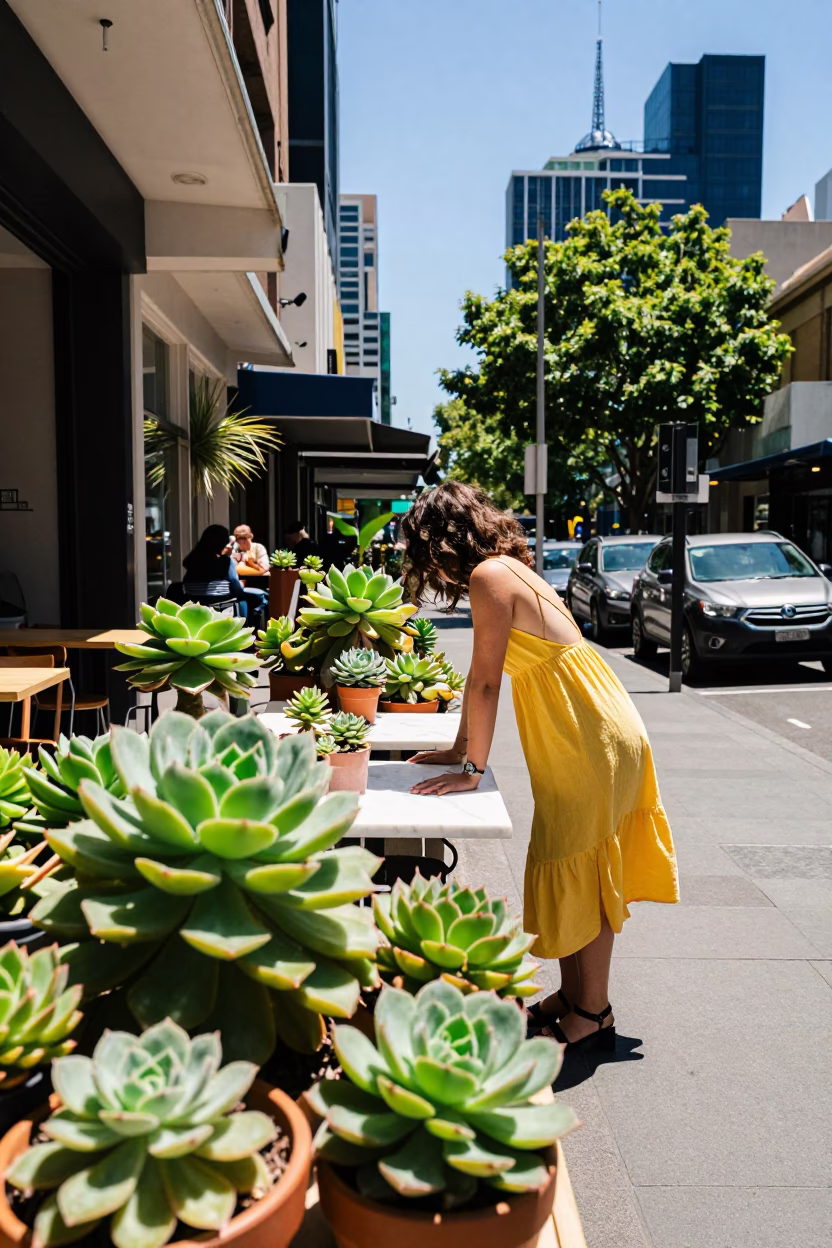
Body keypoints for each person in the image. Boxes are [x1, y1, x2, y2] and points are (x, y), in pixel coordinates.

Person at [403, 483, 679, 1053]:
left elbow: (484, 679)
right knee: (568, 856)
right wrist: (458, 749)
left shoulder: (487, 578)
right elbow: (482, 679)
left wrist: (471, 768)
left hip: (584, 735)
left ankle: (592, 1012)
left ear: (441, 542)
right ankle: (573, 995)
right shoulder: (510, 566)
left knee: (584, 862)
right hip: (591, 725)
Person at [183, 525, 264, 623]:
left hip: (194, 607)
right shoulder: (225, 562)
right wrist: (242, 583)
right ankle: (251, 630)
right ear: (221, 543)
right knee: (259, 597)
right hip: (221, 607)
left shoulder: (191, 561)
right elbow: (237, 589)